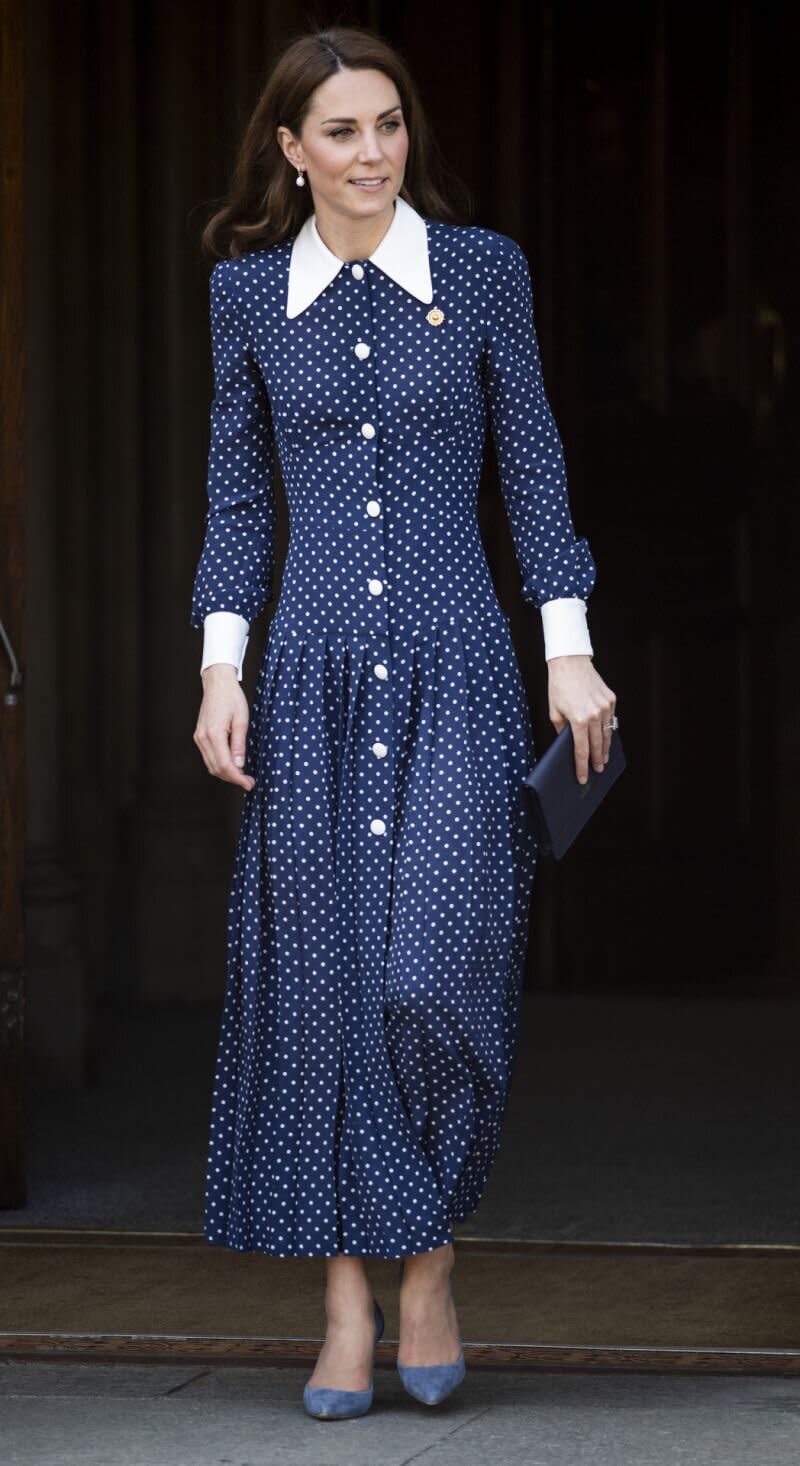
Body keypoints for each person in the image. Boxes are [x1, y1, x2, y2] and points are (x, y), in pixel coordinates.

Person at [189, 24, 617, 1421]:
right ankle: (352, 1301)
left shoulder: (483, 276)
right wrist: (219, 668)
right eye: (343, 133)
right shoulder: (249, 298)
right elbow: (238, 498)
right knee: (323, 988)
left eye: (389, 126)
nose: (373, 155)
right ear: (289, 150)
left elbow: (536, 464)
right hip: (308, 676)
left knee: (431, 972)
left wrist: (571, 651)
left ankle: (427, 1251)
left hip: (460, 671)